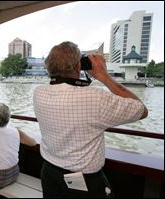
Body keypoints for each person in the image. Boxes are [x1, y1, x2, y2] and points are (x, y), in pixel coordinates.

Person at [33, 41, 148, 198]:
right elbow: (141, 110)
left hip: (49, 172)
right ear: (79, 66)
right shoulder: (95, 97)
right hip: (83, 181)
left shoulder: (38, 93)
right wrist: (103, 76)